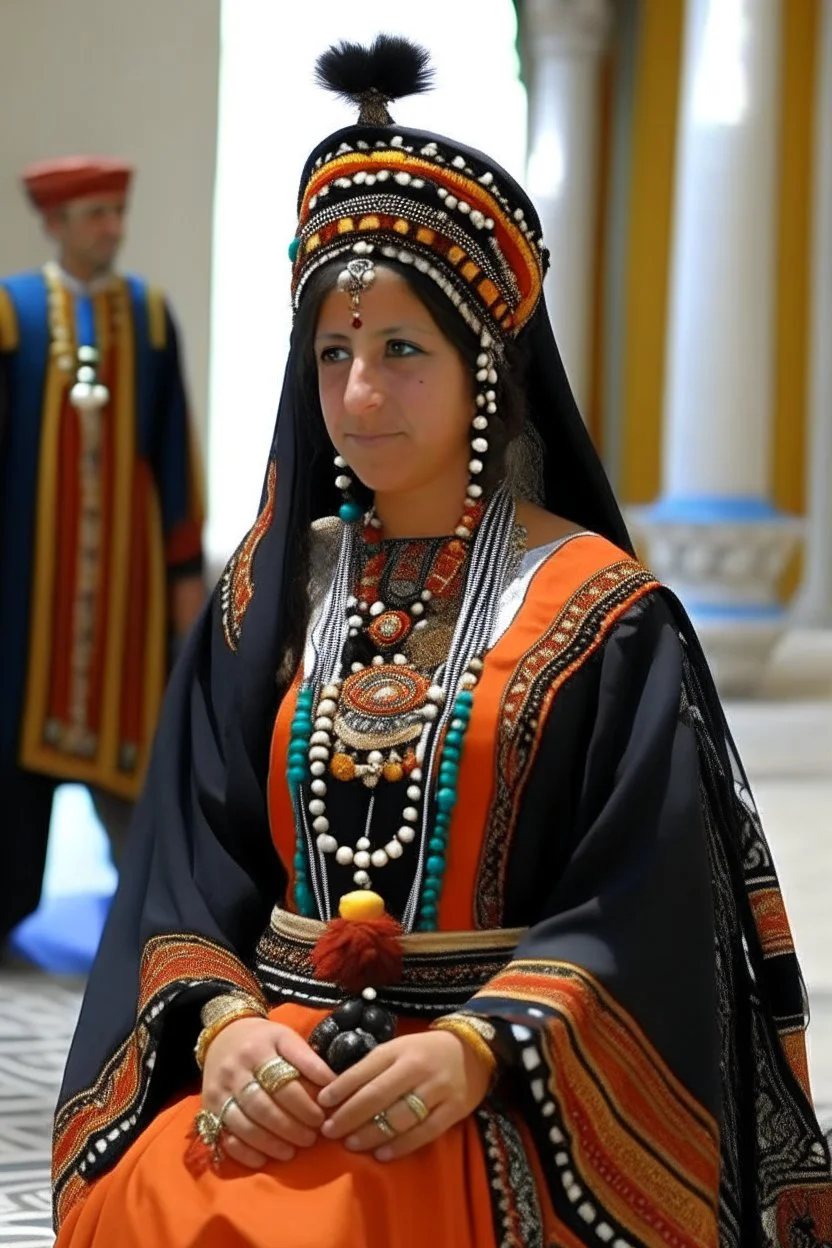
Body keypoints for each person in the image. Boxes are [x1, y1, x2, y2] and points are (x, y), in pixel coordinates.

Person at [52, 37, 831, 1248]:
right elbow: (184, 866)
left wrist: (479, 1049)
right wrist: (227, 1028)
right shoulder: (268, 592)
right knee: (158, 1196)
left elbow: (648, 899)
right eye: (332, 355)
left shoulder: (601, 614)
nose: (360, 395)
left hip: (497, 1081)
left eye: (402, 352)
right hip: (276, 1069)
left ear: (487, 369)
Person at [0, 156, 205, 944]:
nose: (112, 228)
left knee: (138, 767)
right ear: (54, 223)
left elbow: (175, 459)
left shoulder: (150, 316)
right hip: (25, 601)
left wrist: (185, 577)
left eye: (118, 212)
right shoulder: (13, 312)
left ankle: (149, 936)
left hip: (128, 599)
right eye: (94, 215)